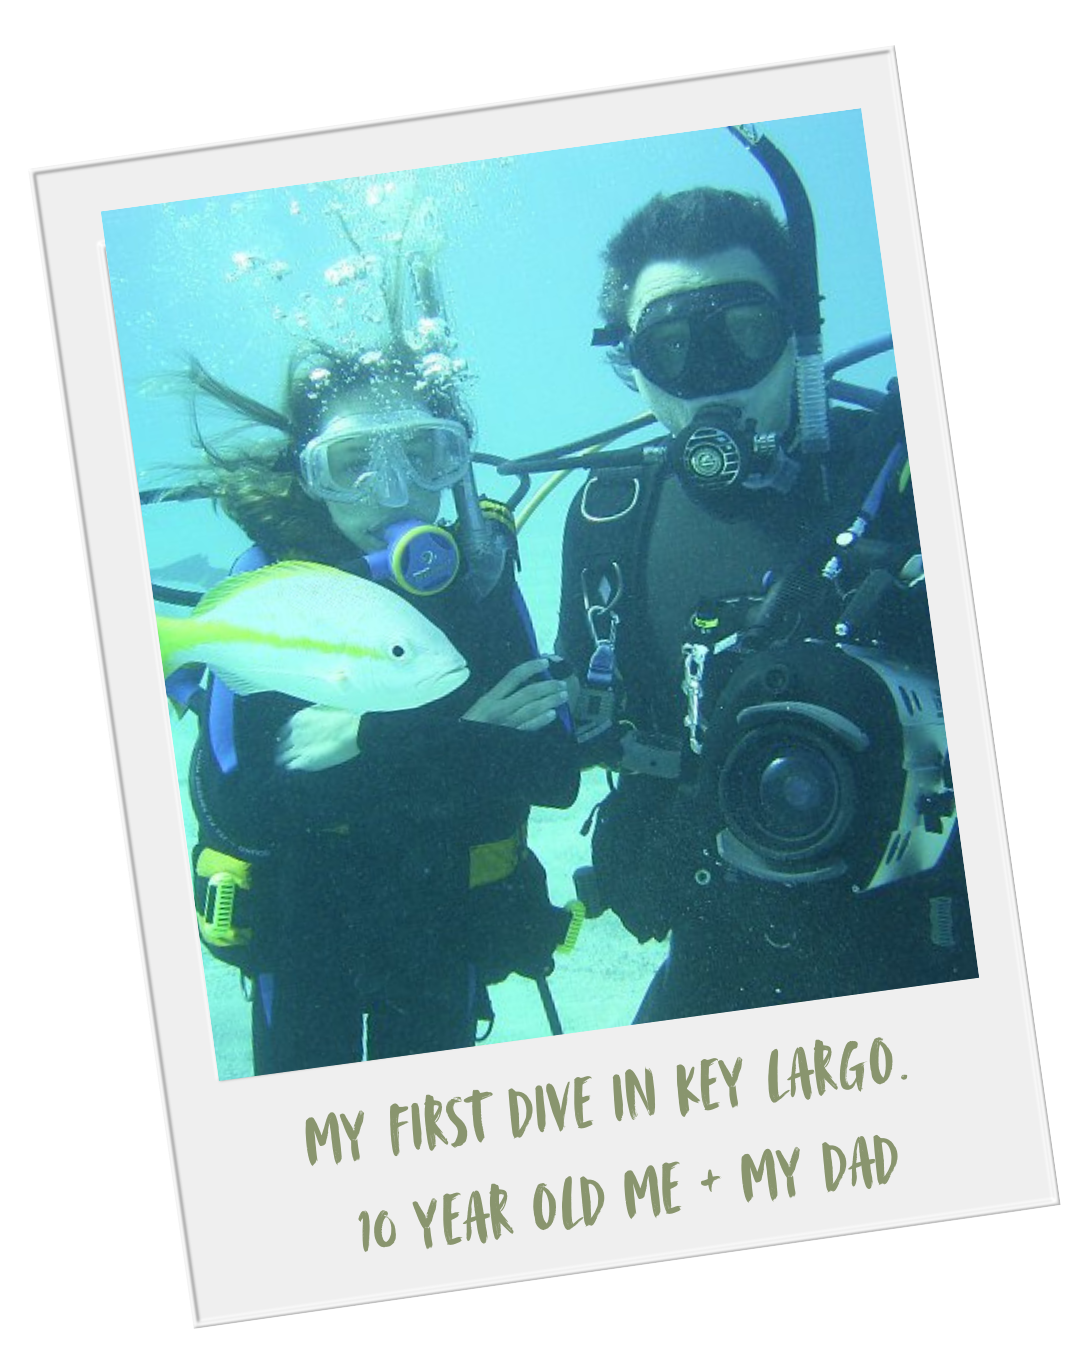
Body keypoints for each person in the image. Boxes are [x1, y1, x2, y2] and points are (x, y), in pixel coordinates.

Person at [554, 134, 976, 1023]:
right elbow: (587, 726)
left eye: (743, 334)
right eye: (671, 348)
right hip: (720, 947)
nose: (710, 381)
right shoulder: (608, 524)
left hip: (939, 940)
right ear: (632, 366)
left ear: (799, 337)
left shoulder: (905, 480)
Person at [161, 238, 580, 1073]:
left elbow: (554, 773)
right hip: (302, 928)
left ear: (456, 462)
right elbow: (248, 804)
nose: (392, 491)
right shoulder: (268, 587)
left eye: (422, 455)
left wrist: (364, 736)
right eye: (352, 463)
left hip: (440, 924)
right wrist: (464, 737)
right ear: (309, 475)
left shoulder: (478, 583)